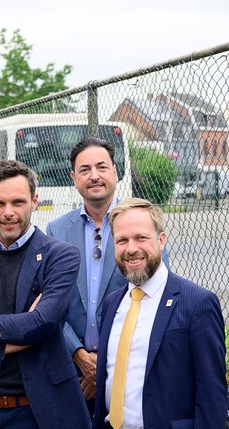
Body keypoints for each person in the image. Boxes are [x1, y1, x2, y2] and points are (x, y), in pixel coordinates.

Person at [0, 160, 91, 429]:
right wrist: (9, 342)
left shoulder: (61, 256)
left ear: (34, 201)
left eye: (18, 202)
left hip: (40, 412)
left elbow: (41, 325)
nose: (8, 213)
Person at [46, 137, 169, 418]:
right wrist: (79, 354)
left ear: (115, 172)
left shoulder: (139, 224)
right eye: (85, 169)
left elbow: (155, 296)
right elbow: (49, 302)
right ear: (74, 178)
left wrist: (104, 364)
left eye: (101, 167)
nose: (94, 176)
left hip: (129, 370)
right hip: (72, 373)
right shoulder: (56, 231)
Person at [93, 198, 227, 429]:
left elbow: (212, 397)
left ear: (161, 240)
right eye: (122, 240)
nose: (131, 249)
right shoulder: (111, 304)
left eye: (141, 238)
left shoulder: (197, 304)